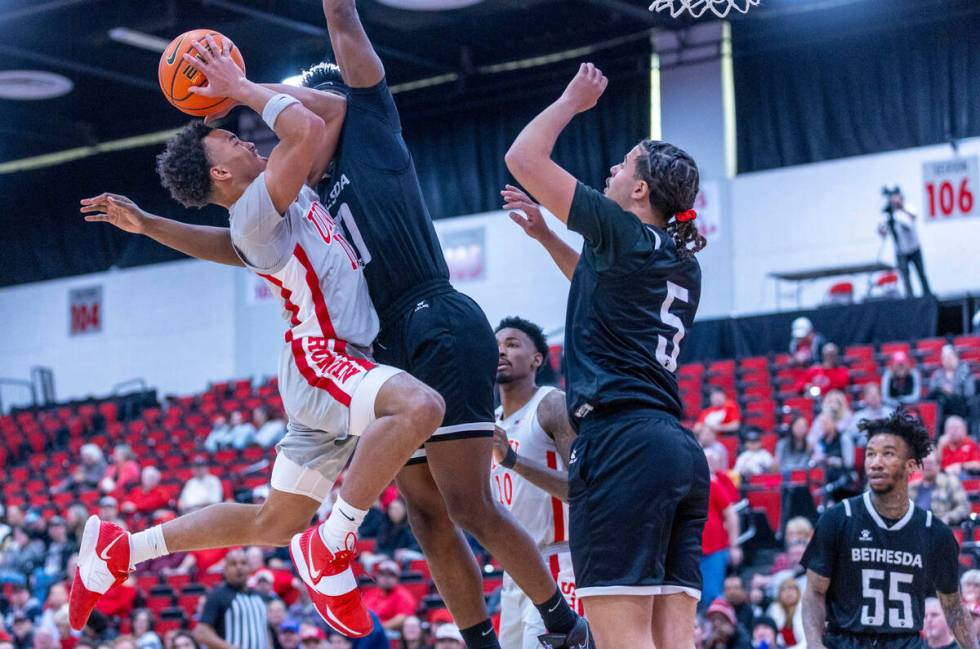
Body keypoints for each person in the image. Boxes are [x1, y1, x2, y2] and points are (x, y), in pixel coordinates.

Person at [73, 36, 445, 640]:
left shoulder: (263, 209)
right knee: (421, 406)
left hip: (322, 363)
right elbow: (298, 130)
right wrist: (238, 85)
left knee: (274, 522)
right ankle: (333, 543)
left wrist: (146, 222)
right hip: (324, 357)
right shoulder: (254, 203)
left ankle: (121, 552)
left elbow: (328, 114)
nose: (246, 135)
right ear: (221, 171)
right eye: (231, 139)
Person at [304, 3, 592, 647]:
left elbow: (345, 24)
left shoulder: (368, 120)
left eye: (306, 109)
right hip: (388, 348)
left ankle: (565, 627)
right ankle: (480, 641)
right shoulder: (305, 190)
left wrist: (244, 86)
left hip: (435, 315)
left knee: (468, 504)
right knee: (426, 516)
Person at [506, 60, 708, 649]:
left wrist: (571, 100)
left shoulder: (619, 230)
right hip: (675, 449)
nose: (612, 171)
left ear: (640, 190)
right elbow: (600, 293)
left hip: (621, 446)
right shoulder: (679, 259)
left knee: (622, 641)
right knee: (673, 641)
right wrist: (547, 236)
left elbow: (523, 159)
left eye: (623, 165)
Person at [800, 411, 976, 649]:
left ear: (911, 465)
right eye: (870, 454)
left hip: (905, 642)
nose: (876, 462)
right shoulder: (839, 518)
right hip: (845, 641)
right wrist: (814, 643)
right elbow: (814, 592)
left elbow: (953, 607)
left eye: (888, 454)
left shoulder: (935, 532)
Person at [491, 317, 583, 648]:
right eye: (497, 345)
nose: (501, 351)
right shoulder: (491, 422)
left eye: (512, 344)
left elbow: (582, 489)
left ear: (537, 359)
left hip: (561, 562)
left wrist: (513, 461)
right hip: (515, 570)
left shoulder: (551, 405)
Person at [192, 549, 269, 649]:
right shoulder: (217, 596)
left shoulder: (260, 597)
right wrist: (228, 647)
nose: (239, 567)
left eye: (243, 563)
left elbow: (264, 631)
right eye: (233, 564)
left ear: (249, 568)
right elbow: (201, 632)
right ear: (225, 569)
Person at [702, 448, 741, 611]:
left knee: (713, 597)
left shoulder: (713, 484)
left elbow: (731, 515)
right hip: (693, 550)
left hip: (714, 549)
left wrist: (734, 546)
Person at [878, 188, 930, 297]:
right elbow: (883, 232)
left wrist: (900, 208)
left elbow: (913, 217)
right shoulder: (889, 215)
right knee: (905, 276)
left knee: (921, 273)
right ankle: (910, 297)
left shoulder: (908, 208)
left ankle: (927, 295)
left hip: (914, 248)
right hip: (901, 251)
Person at [909, 451, 970, 526]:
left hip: (941, 531)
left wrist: (948, 518)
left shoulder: (950, 482)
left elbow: (964, 507)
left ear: (938, 465)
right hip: (917, 531)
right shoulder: (912, 487)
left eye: (930, 463)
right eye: (924, 463)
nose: (927, 467)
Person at [359, 560, 416, 632]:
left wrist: (377, 628)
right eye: (382, 574)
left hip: (390, 634)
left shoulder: (403, 595)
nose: (386, 578)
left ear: (397, 578)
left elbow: (402, 618)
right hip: (368, 631)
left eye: (391, 575)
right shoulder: (371, 593)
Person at [929, 346, 976, 422]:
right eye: (944, 358)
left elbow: (969, 393)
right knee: (938, 399)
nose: (947, 360)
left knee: (941, 400)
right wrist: (943, 389)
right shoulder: (937, 374)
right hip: (942, 403)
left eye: (949, 357)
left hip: (960, 405)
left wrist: (952, 392)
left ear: (956, 358)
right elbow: (931, 390)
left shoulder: (966, 372)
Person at [766, 579, 804, 649]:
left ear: (798, 591)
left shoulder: (805, 608)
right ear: (779, 594)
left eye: (791, 588)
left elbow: (807, 640)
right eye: (783, 589)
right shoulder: (774, 610)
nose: (787, 592)